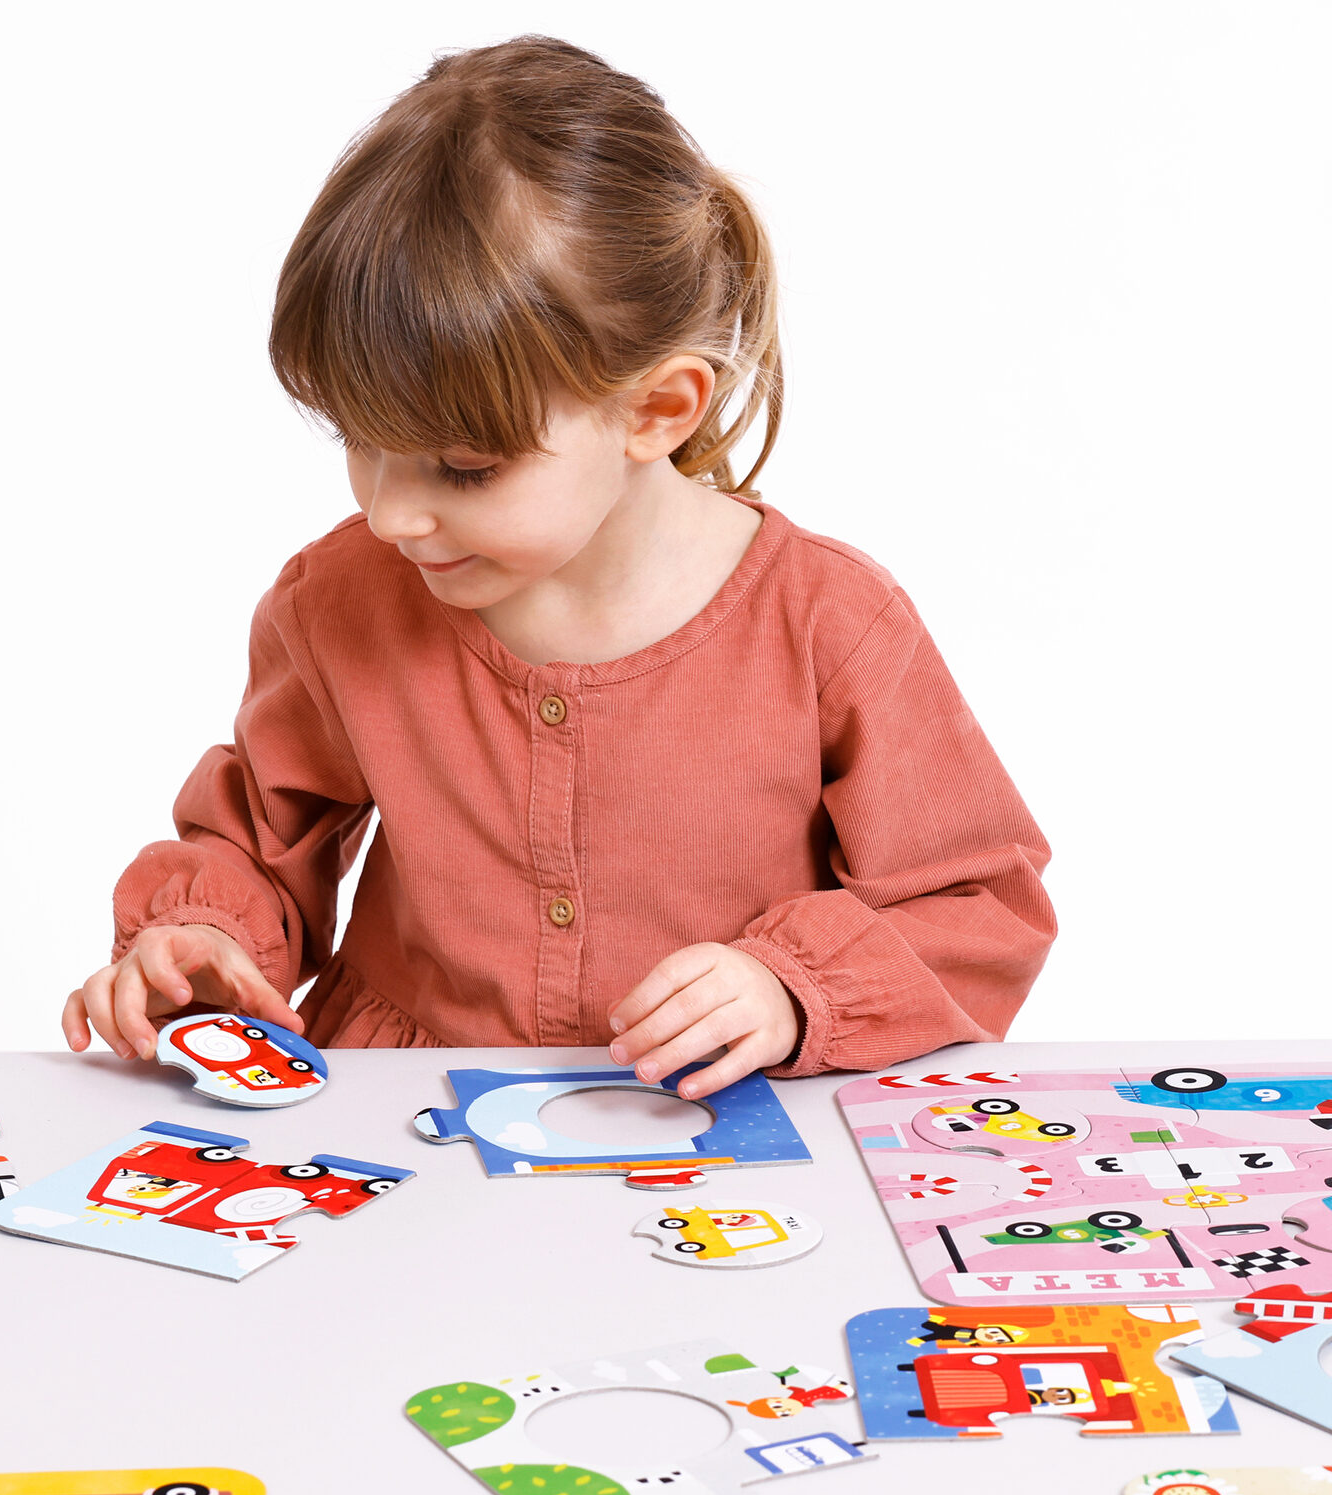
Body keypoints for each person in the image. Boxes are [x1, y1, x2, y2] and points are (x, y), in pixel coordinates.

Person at [62, 36, 1054, 1096]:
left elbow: (976, 906)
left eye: (465, 467)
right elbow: (261, 845)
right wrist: (201, 938)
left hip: (719, 1125)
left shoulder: (829, 623)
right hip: (409, 1119)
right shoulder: (340, 601)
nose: (391, 513)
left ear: (656, 409)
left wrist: (790, 988)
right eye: (360, 438)